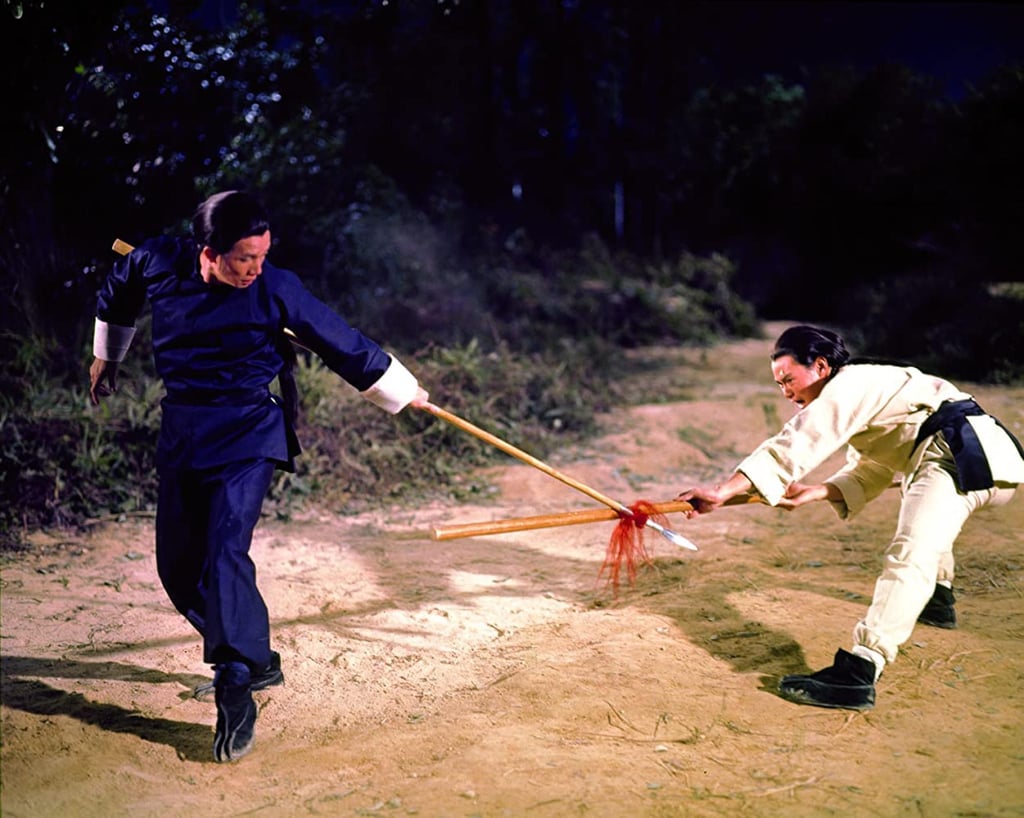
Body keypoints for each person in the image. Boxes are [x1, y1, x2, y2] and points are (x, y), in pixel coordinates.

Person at [89, 190, 429, 761]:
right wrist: (108, 355)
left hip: (248, 430)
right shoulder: (157, 262)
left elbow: (339, 340)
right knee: (177, 567)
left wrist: (401, 389)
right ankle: (258, 658)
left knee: (225, 549)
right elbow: (119, 289)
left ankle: (236, 679)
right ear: (207, 251)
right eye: (244, 258)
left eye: (262, 256)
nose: (255, 268)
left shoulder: (276, 288)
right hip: (184, 429)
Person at [677, 325, 1023, 711]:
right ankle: (937, 598)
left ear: (821, 366)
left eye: (789, 379)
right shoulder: (867, 387)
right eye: (779, 385)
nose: (787, 392)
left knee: (911, 550)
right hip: (977, 459)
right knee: (920, 498)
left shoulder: (850, 383)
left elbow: (798, 439)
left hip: (957, 457)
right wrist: (815, 493)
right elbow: (871, 466)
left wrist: (723, 492)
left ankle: (860, 671)